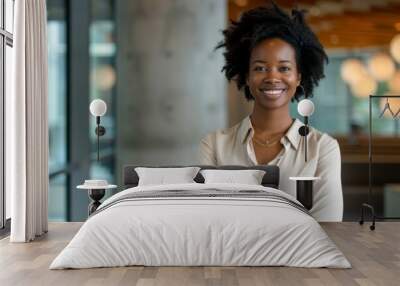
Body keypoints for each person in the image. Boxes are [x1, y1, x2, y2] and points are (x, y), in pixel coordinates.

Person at [199, 2, 343, 222]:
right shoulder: (214, 145)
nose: (272, 77)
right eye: (260, 68)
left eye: (284, 68)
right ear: (246, 77)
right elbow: (206, 220)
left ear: (299, 77)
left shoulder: (323, 148)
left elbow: (328, 227)